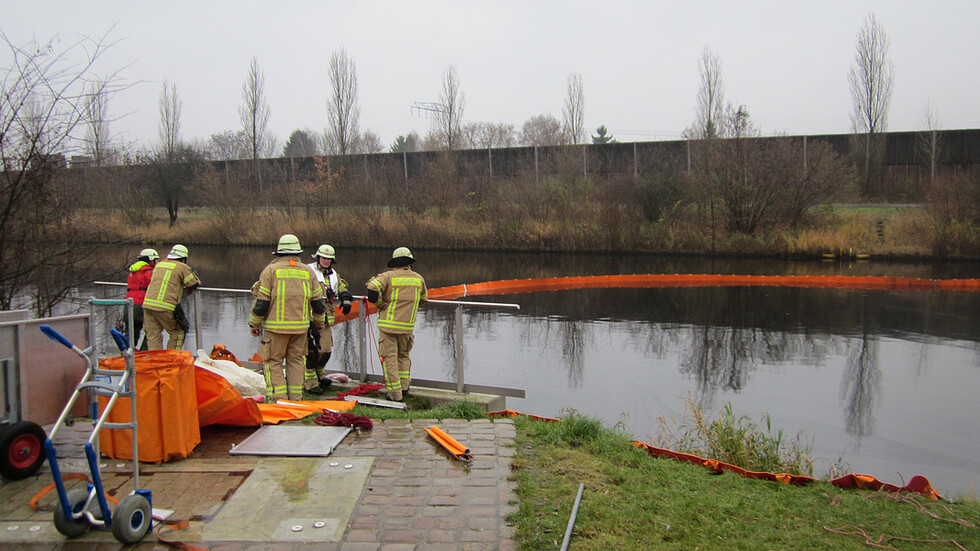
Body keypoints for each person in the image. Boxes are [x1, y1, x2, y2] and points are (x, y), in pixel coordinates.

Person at [248, 234, 326, 402]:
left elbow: (262, 303)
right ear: (297, 252)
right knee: (297, 362)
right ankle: (296, 399)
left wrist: (254, 323)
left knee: (273, 362)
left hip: (275, 330)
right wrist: (319, 323)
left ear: (278, 253)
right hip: (300, 329)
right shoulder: (308, 271)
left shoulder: (270, 271)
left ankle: (279, 399)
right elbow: (319, 304)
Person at [365, 247, 427, 402]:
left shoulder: (388, 277)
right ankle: (405, 387)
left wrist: (380, 304)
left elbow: (372, 289)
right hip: (407, 327)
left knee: (389, 359)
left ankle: (395, 394)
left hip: (388, 327)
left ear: (395, 262)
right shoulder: (419, 279)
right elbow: (423, 299)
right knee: (404, 356)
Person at [304, 244, 353, 395]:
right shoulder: (308, 270)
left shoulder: (333, 274)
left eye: (329, 259)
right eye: (324, 258)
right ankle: (310, 384)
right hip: (309, 317)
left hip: (325, 318)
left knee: (325, 350)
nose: (326, 261)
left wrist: (345, 297)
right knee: (310, 352)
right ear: (318, 258)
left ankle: (320, 375)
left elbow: (341, 286)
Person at [142, 244, 201, 350]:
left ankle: (156, 362)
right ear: (184, 258)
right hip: (165, 306)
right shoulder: (182, 267)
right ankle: (171, 360)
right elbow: (193, 284)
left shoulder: (159, 265)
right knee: (177, 333)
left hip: (148, 304)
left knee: (153, 335)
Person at [125, 248, 159, 349]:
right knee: (152, 331)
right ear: (150, 260)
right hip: (141, 304)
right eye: (155, 260)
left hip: (128, 303)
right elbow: (154, 286)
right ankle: (144, 354)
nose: (157, 262)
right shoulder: (148, 272)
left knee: (131, 332)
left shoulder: (133, 271)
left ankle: (127, 355)